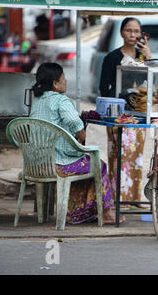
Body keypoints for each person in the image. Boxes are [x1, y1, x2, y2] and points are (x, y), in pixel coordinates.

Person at [29, 62, 124, 224]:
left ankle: (79, 212)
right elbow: (74, 121)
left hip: (37, 163)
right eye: (63, 78)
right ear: (55, 83)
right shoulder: (61, 100)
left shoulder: (37, 101)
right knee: (98, 165)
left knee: (85, 161)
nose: (66, 81)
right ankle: (106, 214)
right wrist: (81, 132)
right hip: (59, 165)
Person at [99, 17, 151, 207]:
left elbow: (152, 82)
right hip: (117, 114)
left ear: (141, 34)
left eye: (136, 31)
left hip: (138, 112)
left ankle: (134, 198)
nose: (133, 34)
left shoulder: (142, 56)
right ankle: (117, 198)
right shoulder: (111, 58)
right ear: (122, 32)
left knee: (136, 157)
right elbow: (103, 88)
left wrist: (148, 56)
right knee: (118, 157)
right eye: (129, 30)